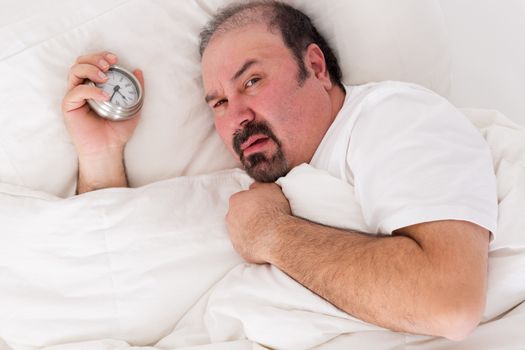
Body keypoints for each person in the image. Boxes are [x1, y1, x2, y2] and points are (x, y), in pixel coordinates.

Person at [61, 0, 498, 341]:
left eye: (251, 81)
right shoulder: (261, 186)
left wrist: (271, 235)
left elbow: (449, 302)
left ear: (315, 66)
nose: (237, 116)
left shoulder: (394, 117)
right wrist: (101, 155)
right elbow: (109, 285)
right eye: (218, 103)